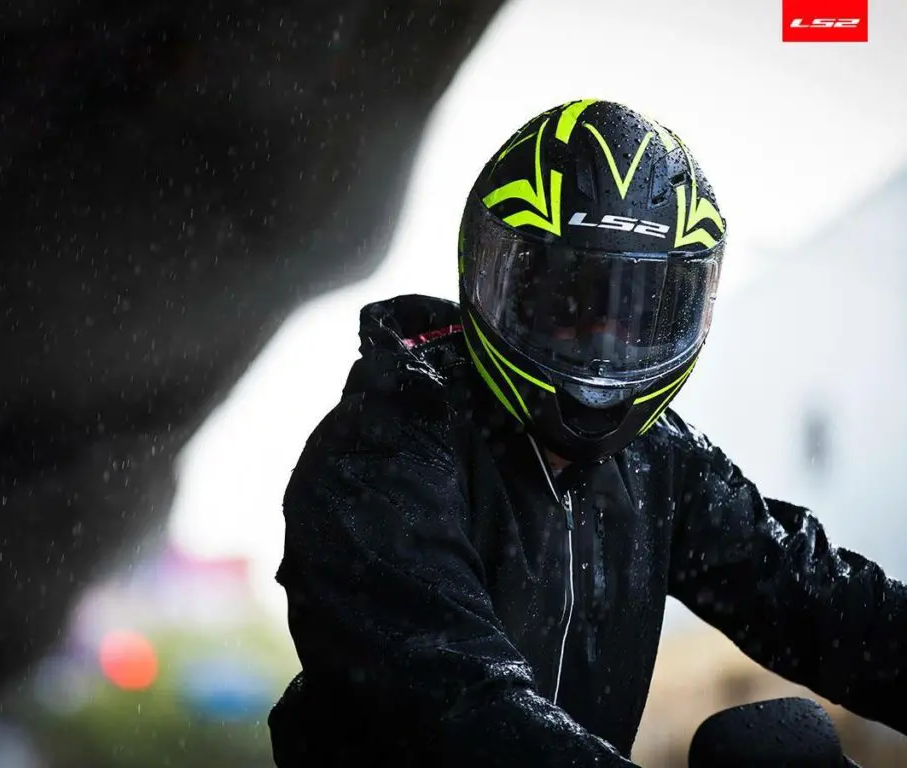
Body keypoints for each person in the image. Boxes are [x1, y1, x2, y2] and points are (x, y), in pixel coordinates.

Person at [267, 99, 906, 766]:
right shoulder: (382, 453)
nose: (602, 350)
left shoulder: (657, 459)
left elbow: (818, 599)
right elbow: (458, 710)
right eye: (568, 303)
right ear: (496, 281)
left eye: (637, 313)